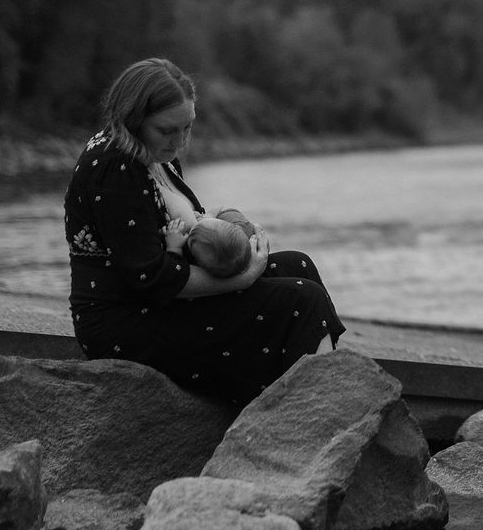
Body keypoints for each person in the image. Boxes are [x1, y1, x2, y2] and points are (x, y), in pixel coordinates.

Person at [63, 58, 344, 405]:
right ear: (133, 120)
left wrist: (230, 236)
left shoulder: (158, 156)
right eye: (167, 130)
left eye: (187, 127)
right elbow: (151, 279)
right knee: (303, 300)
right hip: (125, 321)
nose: (180, 142)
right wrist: (242, 278)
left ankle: (316, 401)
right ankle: (321, 409)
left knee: (298, 265)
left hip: (159, 303)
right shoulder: (115, 166)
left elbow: (184, 234)